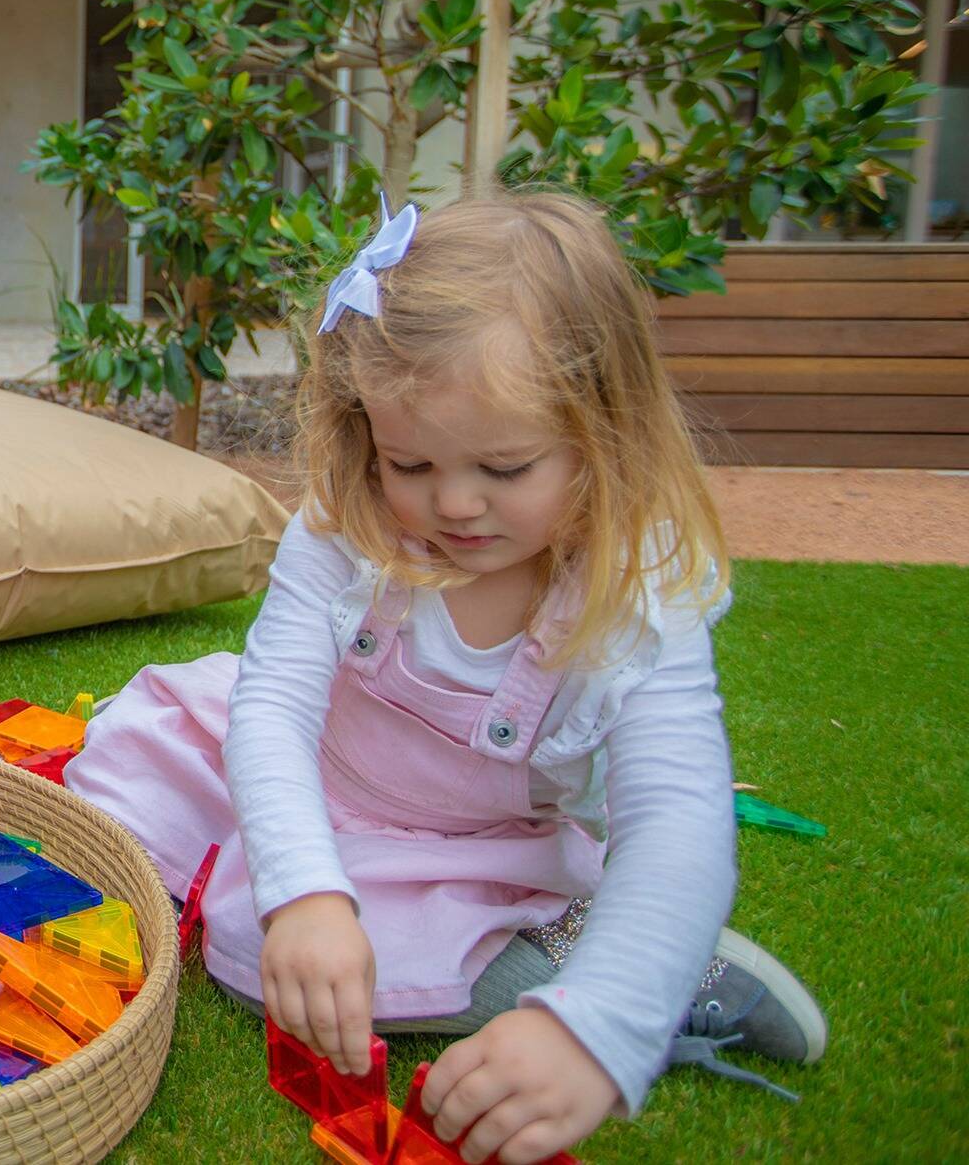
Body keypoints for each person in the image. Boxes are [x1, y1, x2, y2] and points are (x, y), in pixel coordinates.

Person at [69, 191, 825, 1163]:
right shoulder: (345, 528)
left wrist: (595, 1029)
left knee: (266, 956)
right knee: (118, 780)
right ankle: (553, 958)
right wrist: (305, 893)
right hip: (304, 781)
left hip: (474, 852)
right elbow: (271, 713)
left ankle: (619, 972)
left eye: (505, 467)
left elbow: (678, 821)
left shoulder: (639, 590)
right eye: (408, 461)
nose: (454, 504)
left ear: (603, 439)